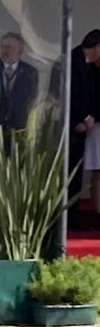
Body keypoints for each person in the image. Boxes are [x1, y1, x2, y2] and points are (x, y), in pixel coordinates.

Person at [0, 32, 39, 132]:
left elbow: (32, 100)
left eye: (10, 48)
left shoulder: (30, 73)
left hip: (19, 128)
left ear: (20, 50)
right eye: (3, 47)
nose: (5, 51)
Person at [69, 30, 100, 226]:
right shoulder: (74, 60)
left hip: (85, 124)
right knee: (71, 173)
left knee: (78, 173)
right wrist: (83, 118)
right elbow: (71, 93)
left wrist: (91, 117)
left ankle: (73, 215)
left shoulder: (91, 65)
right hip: (72, 126)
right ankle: (69, 217)